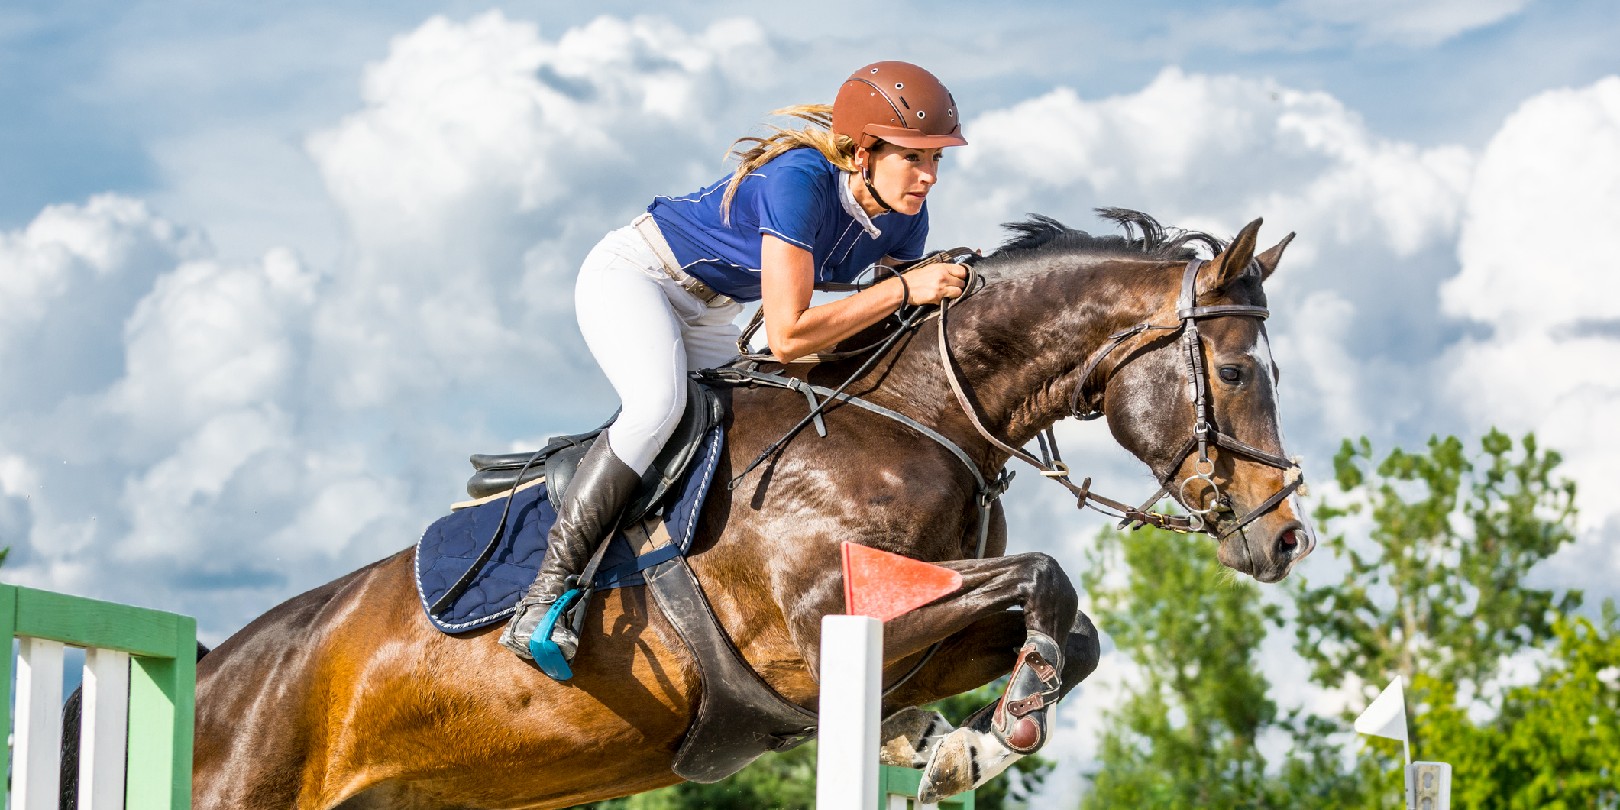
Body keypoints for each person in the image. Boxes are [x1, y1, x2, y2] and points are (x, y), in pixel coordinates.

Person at [499, 61, 973, 672]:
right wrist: (907, 289)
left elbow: (879, 330)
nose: (929, 176)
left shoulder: (905, 219)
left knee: (756, 420)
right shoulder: (800, 180)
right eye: (915, 158)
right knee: (658, 407)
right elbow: (789, 334)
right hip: (638, 276)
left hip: (716, 310)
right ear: (862, 153)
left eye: (938, 160)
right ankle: (543, 597)